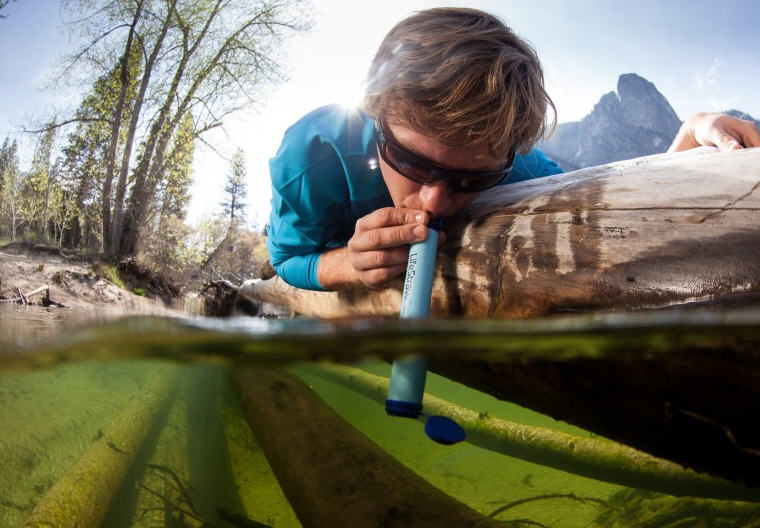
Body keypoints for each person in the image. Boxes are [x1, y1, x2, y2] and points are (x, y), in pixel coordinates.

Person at [266, 7, 760, 292]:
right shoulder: (310, 157)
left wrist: (687, 139)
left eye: (470, 181)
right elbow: (288, 258)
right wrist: (345, 265)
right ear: (375, 112)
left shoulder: (516, 167)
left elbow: (606, 199)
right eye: (412, 162)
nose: (436, 202)